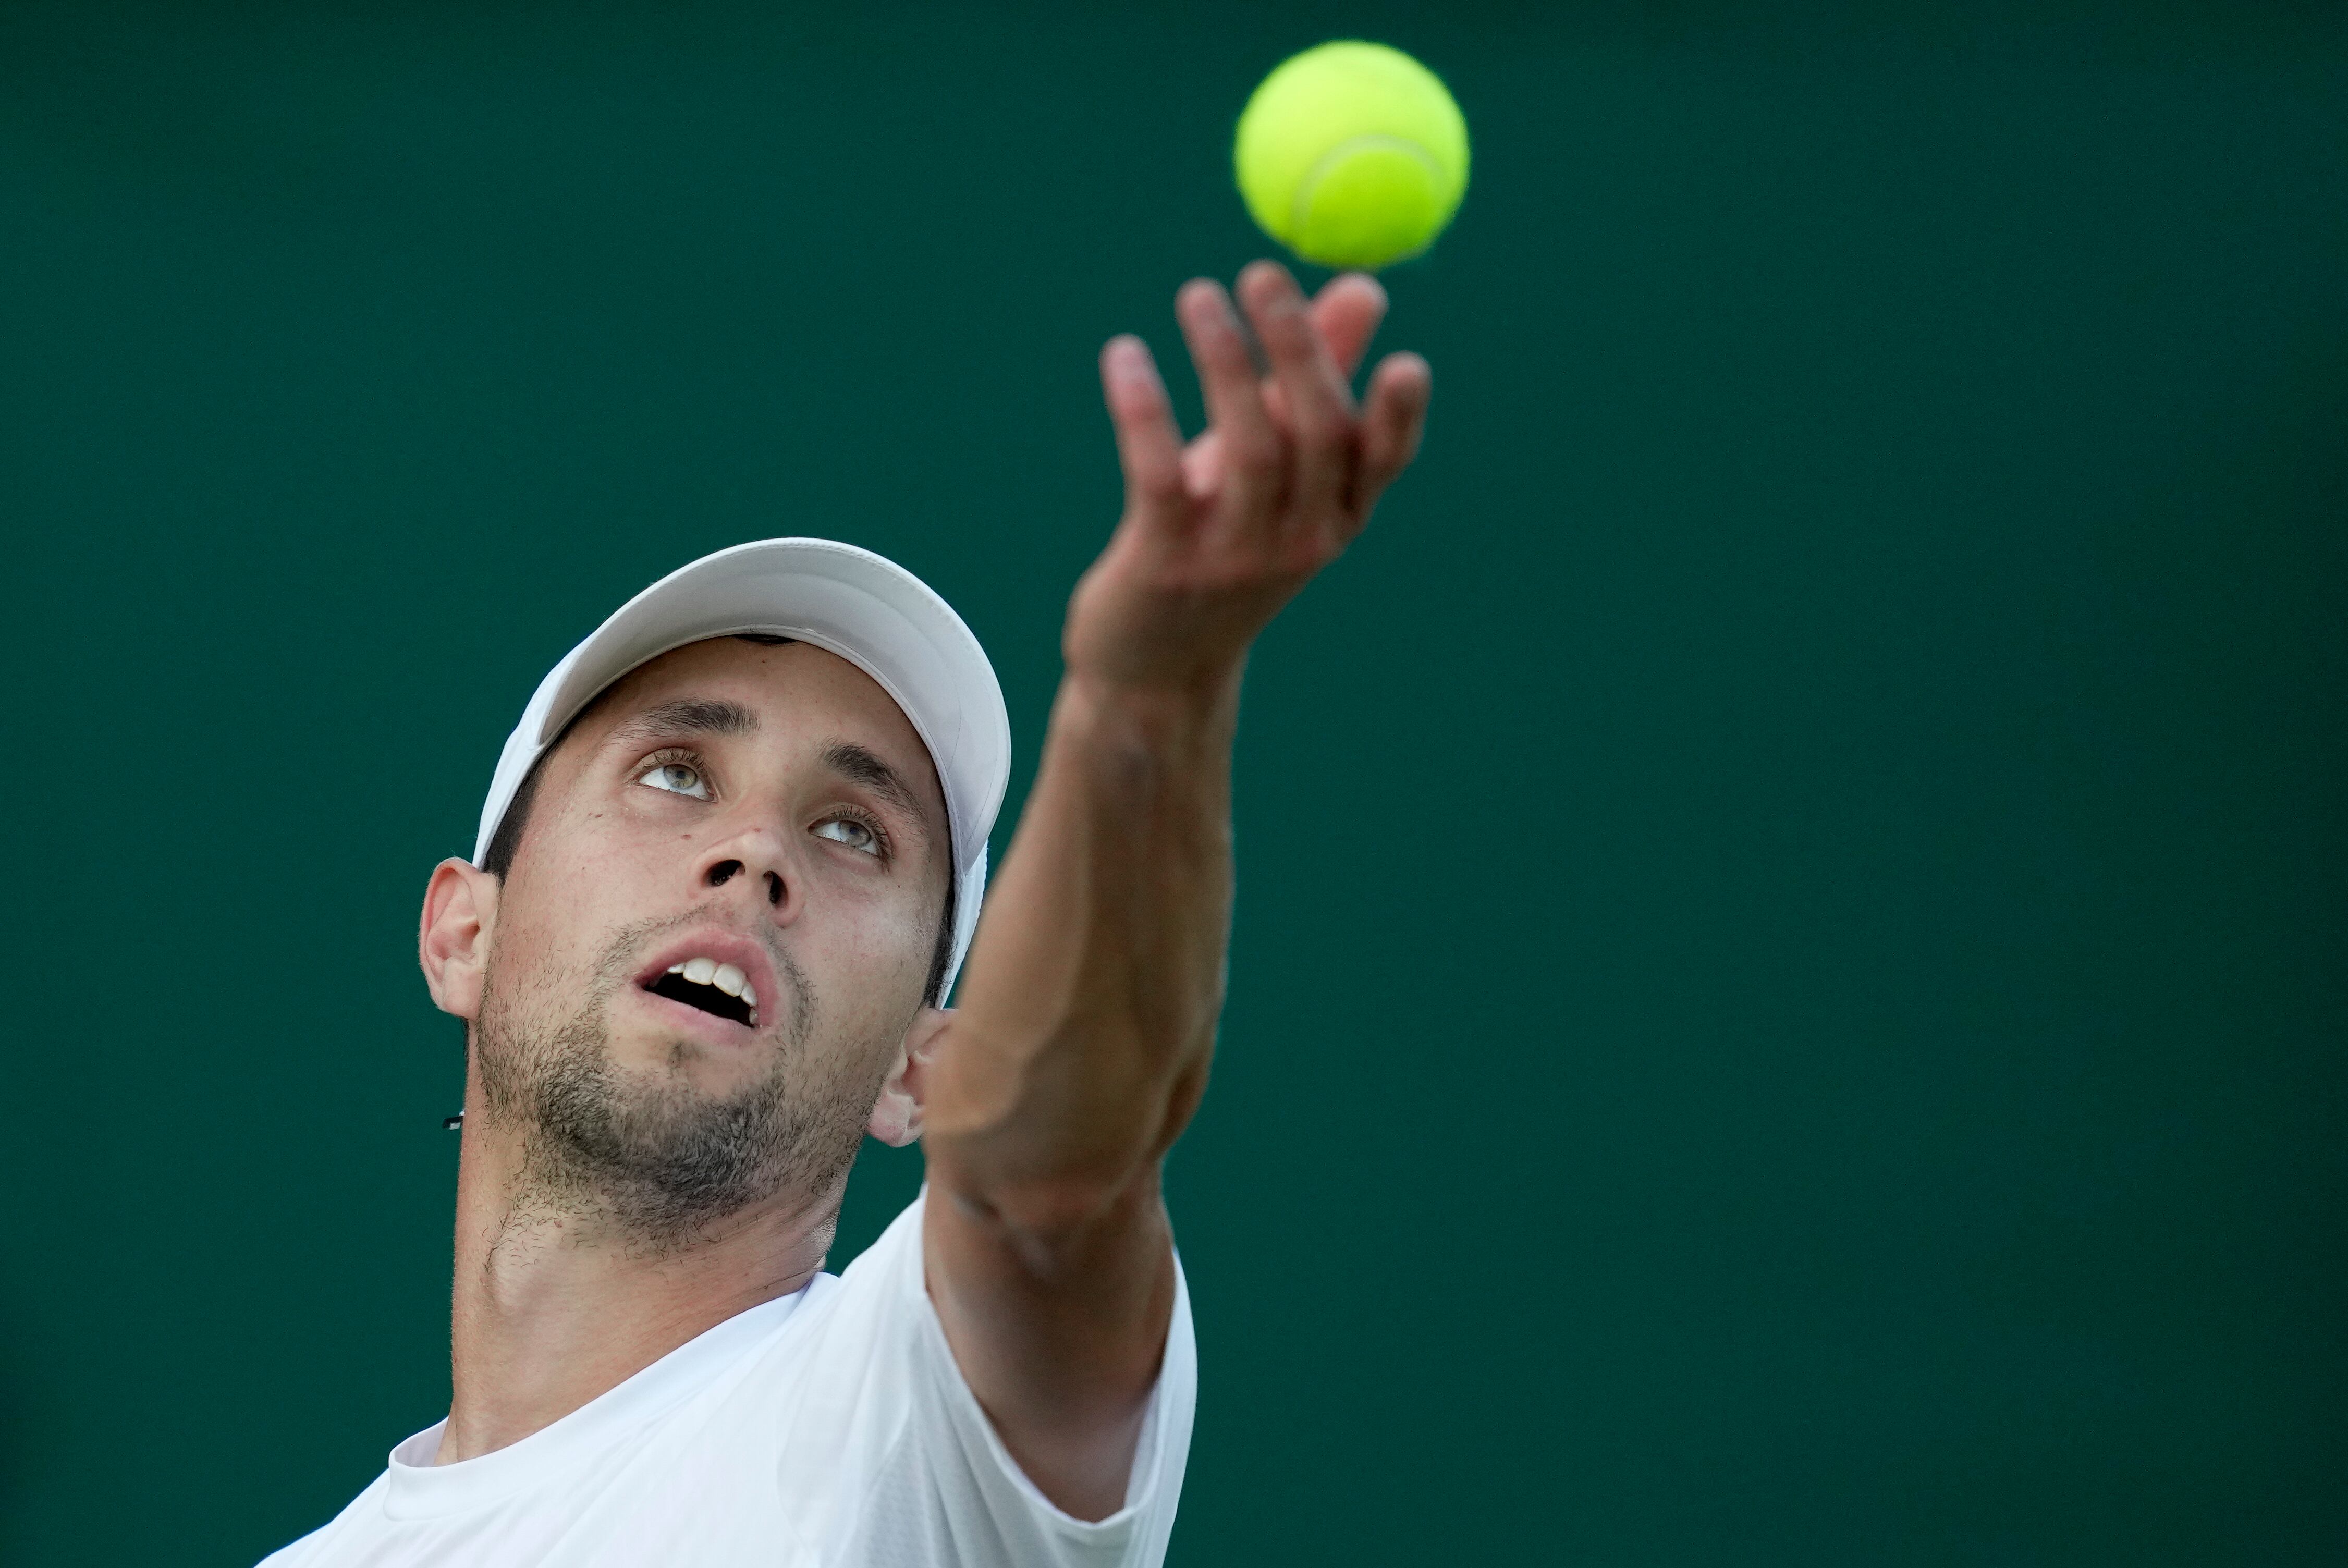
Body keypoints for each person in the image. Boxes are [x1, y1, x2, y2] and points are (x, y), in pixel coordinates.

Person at [261, 260, 1430, 1566]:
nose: (755, 850)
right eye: (672, 773)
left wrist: (1149, 696)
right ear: (460, 931)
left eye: (851, 832)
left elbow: (1045, 1179)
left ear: (919, 1069)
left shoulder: (905, 1427)